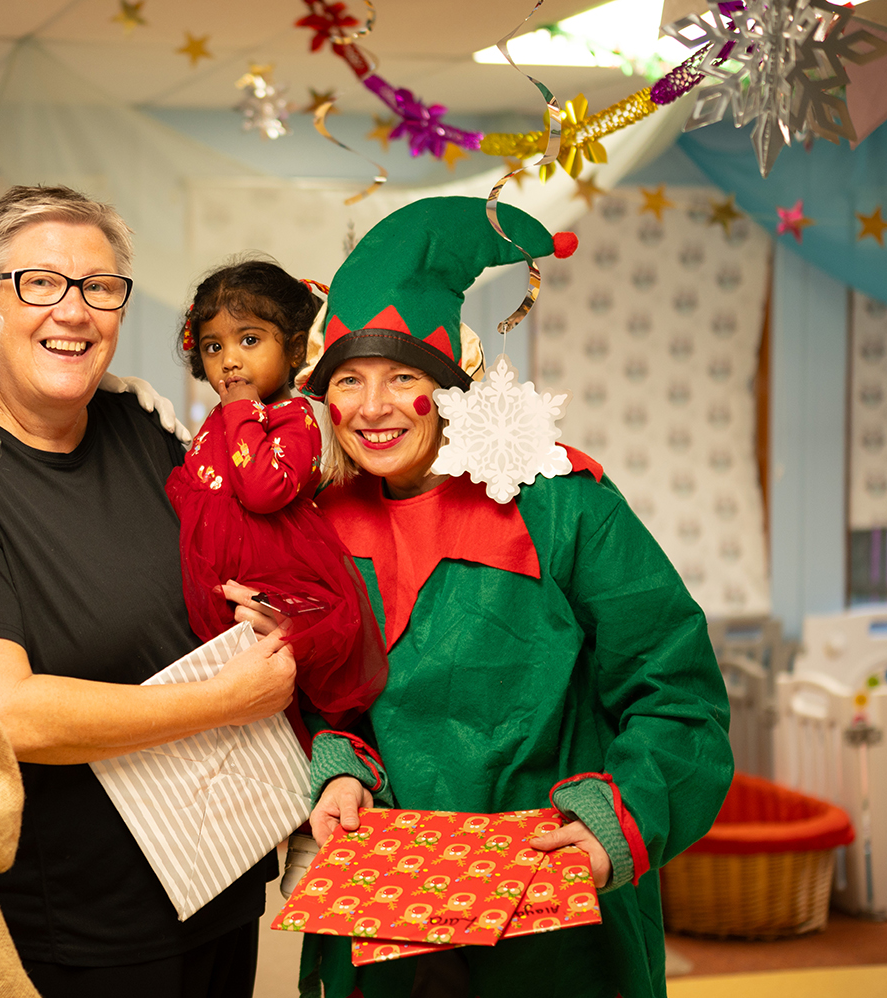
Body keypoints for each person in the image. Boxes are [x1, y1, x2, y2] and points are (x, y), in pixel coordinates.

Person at [292, 197, 733, 998]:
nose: (373, 405)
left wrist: (615, 823)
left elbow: (677, 693)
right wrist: (336, 768)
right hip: (388, 918)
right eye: (349, 380)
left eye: (403, 376)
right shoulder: (319, 521)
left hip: (557, 918)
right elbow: (328, 699)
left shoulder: (564, 503)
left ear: (450, 385)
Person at [0, 186, 298, 998]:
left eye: (99, 287)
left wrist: (259, 604)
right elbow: (5, 714)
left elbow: (214, 574)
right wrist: (229, 699)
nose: (74, 311)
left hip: (220, 873)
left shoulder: (140, 427)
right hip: (85, 926)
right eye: (39, 283)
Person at [168, 259, 386, 732]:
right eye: (213, 346)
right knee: (222, 700)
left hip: (274, 573)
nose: (229, 360)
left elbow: (263, 490)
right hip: (213, 572)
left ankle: (309, 774)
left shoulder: (296, 419)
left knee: (273, 697)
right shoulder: (225, 417)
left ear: (292, 349)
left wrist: (241, 408)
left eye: (249, 340)